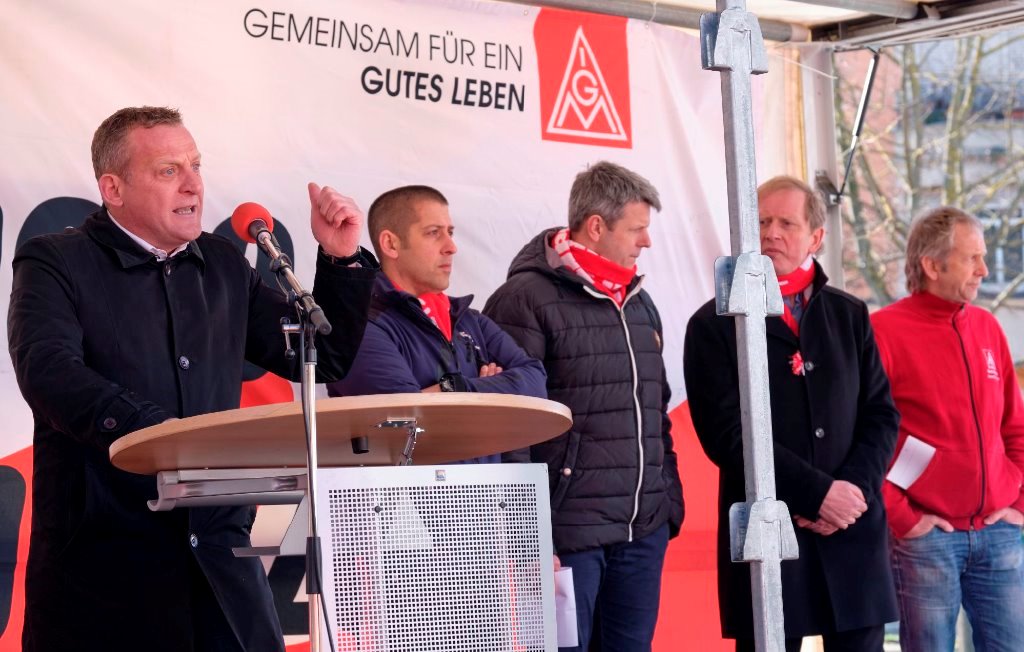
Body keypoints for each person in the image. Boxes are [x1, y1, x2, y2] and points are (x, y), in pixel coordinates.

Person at [7, 106, 378, 652]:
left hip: (221, 562)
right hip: (106, 564)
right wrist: (161, 437)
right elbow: (49, 373)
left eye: (196, 166)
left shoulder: (223, 264)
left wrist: (341, 260)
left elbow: (322, 356)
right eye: (168, 170)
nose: (193, 184)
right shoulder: (56, 261)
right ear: (113, 188)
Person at [683, 175, 899, 651]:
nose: (771, 234)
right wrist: (817, 494)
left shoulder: (849, 314)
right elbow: (726, 436)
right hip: (770, 535)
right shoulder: (713, 325)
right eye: (761, 222)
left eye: (786, 223)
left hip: (852, 532)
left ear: (816, 237)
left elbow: (881, 416)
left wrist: (851, 494)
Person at [483, 161, 684, 651]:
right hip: (566, 537)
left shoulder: (640, 302)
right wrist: (527, 535)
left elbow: (655, 412)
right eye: (636, 229)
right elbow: (509, 427)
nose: (646, 242)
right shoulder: (523, 300)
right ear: (596, 226)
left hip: (642, 531)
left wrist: (667, 502)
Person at [871, 206, 1024, 652]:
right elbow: (866, 439)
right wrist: (903, 518)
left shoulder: (987, 327)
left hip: (999, 532)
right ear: (932, 266)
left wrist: (1018, 502)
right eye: (972, 258)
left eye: (983, 257)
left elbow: (1015, 427)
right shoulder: (882, 331)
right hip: (926, 539)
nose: (984, 270)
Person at [326, 184, 547, 460]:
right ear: (391, 244)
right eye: (433, 233)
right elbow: (408, 422)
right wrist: (491, 398)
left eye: (450, 233)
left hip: (484, 487)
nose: (451, 247)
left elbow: (536, 383)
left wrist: (453, 389)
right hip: (405, 489)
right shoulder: (358, 326)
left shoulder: (469, 320)